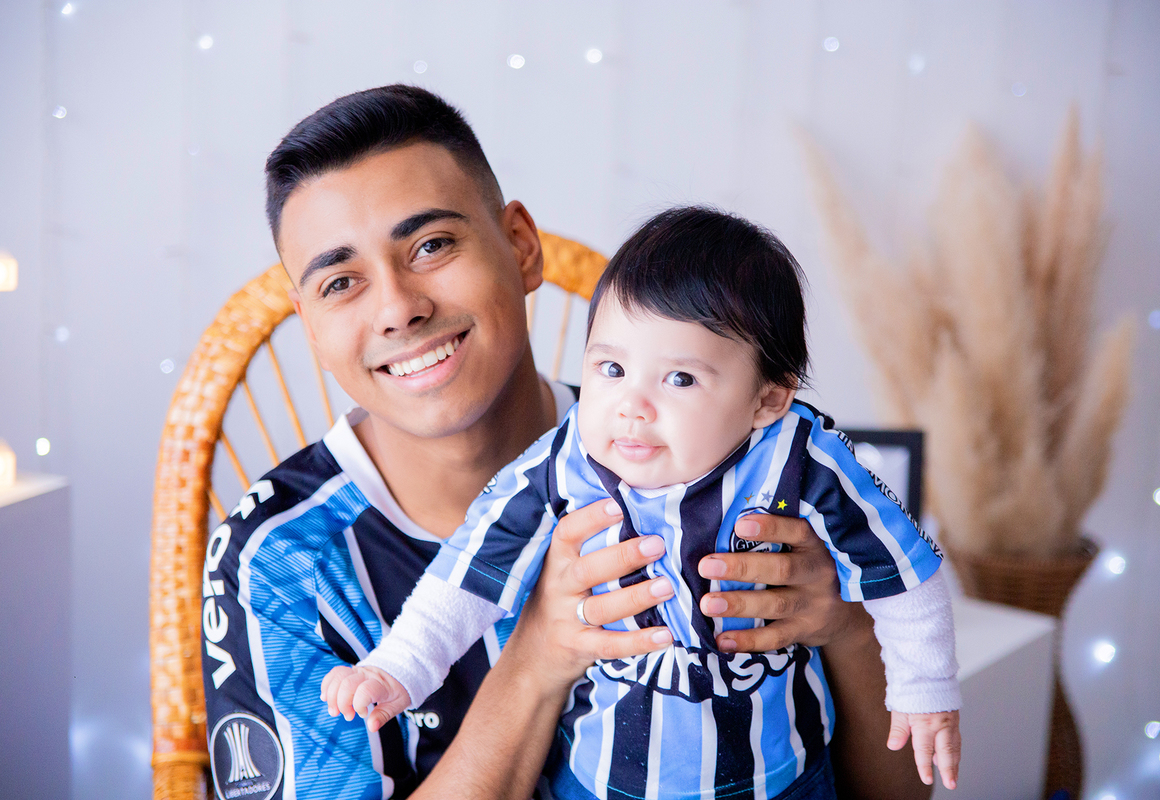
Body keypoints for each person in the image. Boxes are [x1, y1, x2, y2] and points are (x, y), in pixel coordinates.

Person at [202, 83, 936, 800]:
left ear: (521, 247)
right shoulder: (277, 559)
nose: (398, 307)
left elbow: (905, 792)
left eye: (431, 245)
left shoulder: (703, 446)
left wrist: (841, 621)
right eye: (341, 283)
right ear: (309, 322)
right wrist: (538, 657)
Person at [323, 207, 962, 799]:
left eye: (679, 378)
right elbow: (463, 579)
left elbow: (910, 574)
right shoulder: (566, 459)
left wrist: (924, 687)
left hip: (781, 776)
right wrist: (396, 670)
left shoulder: (802, 457)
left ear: (769, 398)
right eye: (610, 368)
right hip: (604, 779)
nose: (632, 404)